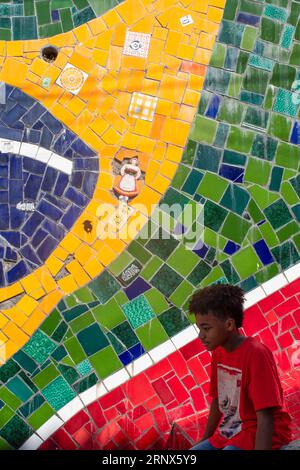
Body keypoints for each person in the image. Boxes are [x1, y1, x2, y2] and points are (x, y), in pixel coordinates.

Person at [188, 284, 292, 451]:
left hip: (260, 431)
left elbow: (265, 416)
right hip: (231, 429)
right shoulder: (218, 353)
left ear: (229, 325)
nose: (201, 336)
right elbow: (217, 398)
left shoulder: (256, 354)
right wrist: (204, 440)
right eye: (199, 328)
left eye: (206, 329)